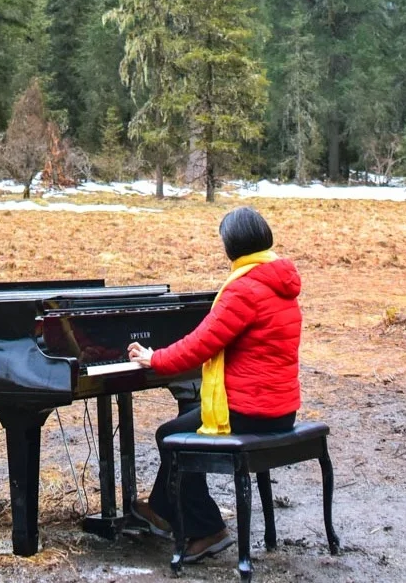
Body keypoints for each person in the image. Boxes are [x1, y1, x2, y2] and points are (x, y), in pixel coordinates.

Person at [127, 206, 302, 564]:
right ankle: (161, 509)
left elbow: (200, 344)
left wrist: (154, 358)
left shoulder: (244, 289)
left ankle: (207, 530)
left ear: (232, 246)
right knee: (184, 425)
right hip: (281, 409)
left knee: (172, 438)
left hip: (252, 411)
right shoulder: (279, 281)